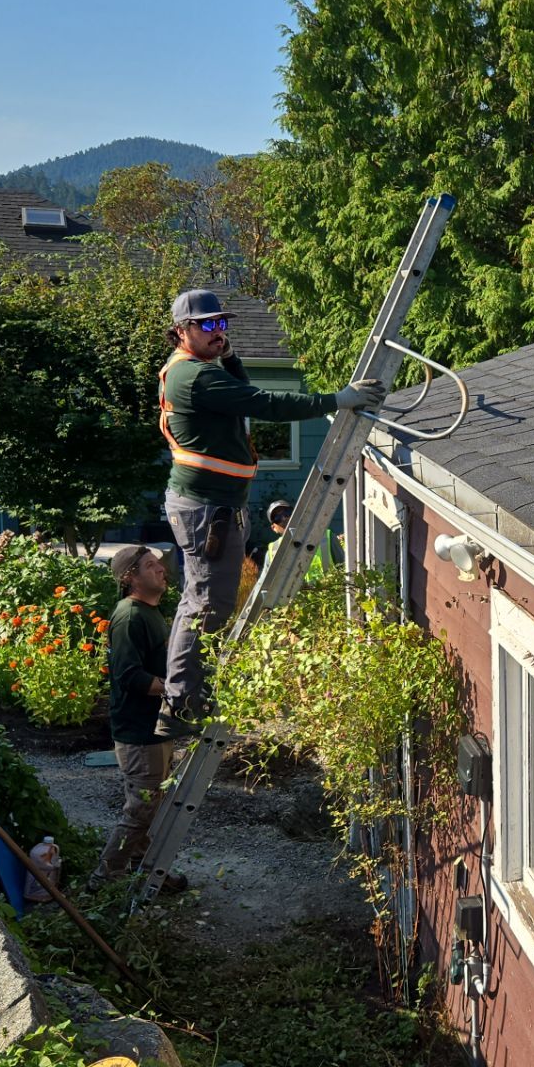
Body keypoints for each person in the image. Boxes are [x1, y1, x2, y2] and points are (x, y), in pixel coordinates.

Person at [156, 288, 381, 734]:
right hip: (205, 509)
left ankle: (187, 694)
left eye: (223, 324)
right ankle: (180, 705)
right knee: (205, 605)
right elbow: (265, 403)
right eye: (208, 325)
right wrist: (338, 399)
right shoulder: (195, 378)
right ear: (182, 331)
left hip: (213, 505)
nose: (219, 332)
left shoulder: (203, 369)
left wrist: (230, 355)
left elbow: (240, 391)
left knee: (203, 603)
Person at [93, 543, 177, 886]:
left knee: (150, 809)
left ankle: (147, 873)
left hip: (155, 728)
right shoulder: (129, 617)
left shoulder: (149, 612)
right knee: (141, 809)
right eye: (151, 565)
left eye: (159, 563)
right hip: (139, 732)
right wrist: (175, 689)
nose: (161, 569)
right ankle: (103, 879)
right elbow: (129, 676)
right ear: (131, 577)